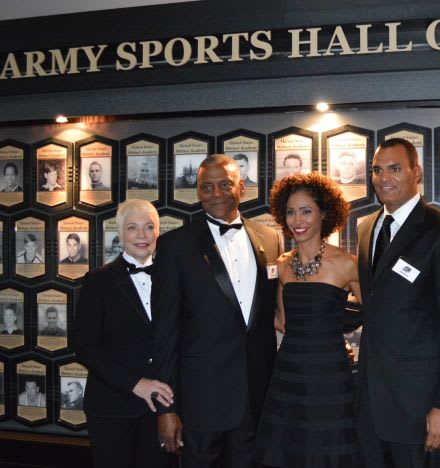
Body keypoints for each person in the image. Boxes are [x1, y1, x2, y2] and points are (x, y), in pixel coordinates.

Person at [355, 137, 440, 468]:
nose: (384, 178)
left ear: (417, 172)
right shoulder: (367, 228)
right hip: (369, 406)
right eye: (377, 170)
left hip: (422, 411)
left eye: (395, 168)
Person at [152, 154, 282, 468]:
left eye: (225, 184)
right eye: (206, 187)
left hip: (256, 398)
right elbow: (165, 333)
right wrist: (166, 410)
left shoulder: (270, 238)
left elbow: (274, 314)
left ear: (243, 188)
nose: (217, 193)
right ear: (197, 193)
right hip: (201, 402)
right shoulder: (174, 246)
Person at [255, 172, 360, 468]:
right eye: (290, 212)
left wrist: (339, 324)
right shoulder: (283, 265)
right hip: (288, 374)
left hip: (329, 374)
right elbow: (283, 322)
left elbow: (378, 313)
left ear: (324, 214)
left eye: (306, 211)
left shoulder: (346, 264)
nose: (297, 220)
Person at [75, 199, 174, 468]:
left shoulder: (173, 279)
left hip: (160, 409)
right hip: (111, 407)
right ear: (120, 234)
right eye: (133, 228)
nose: (142, 235)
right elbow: (85, 347)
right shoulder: (98, 281)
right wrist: (135, 383)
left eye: (149, 227)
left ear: (158, 232)